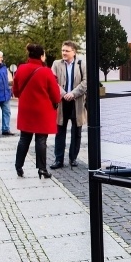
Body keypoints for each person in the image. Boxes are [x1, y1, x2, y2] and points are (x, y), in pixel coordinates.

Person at [13, 44, 60, 178]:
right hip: (42, 112)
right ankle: (42, 169)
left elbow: (16, 92)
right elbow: (56, 95)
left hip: (26, 111)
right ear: (41, 56)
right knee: (41, 140)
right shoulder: (46, 71)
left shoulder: (21, 69)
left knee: (24, 139)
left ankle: (18, 165)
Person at [50, 41, 87, 169]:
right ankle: (58, 159)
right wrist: (64, 93)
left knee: (76, 132)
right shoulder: (56, 64)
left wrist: (73, 93)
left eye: (67, 51)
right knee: (60, 131)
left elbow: (86, 81)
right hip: (62, 102)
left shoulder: (82, 64)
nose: (64, 53)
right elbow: (52, 81)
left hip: (77, 102)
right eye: (63, 50)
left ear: (74, 52)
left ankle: (73, 158)